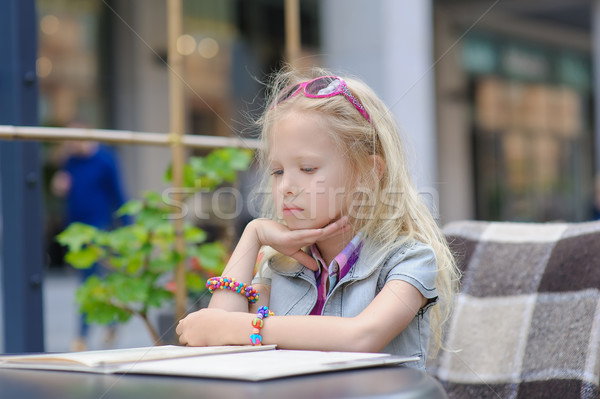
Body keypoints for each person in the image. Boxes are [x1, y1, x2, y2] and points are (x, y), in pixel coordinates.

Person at [176, 68, 460, 370]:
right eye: (277, 171)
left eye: (308, 169)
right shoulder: (279, 266)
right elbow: (223, 352)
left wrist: (238, 328)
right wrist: (253, 234)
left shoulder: (409, 260)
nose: (286, 187)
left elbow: (362, 336)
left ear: (368, 173)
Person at [51, 139, 130, 351]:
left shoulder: (105, 159)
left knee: (89, 281)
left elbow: (118, 193)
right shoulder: (70, 161)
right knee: (94, 281)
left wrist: (128, 227)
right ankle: (111, 323)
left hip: (98, 229)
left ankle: (81, 336)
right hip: (75, 230)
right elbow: (66, 189)